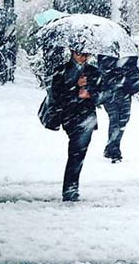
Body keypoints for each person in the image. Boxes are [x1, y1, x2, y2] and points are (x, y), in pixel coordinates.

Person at [51, 46, 102, 202]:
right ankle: (70, 188)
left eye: (87, 54)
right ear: (72, 53)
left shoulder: (93, 72)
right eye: (80, 53)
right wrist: (76, 87)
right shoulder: (61, 71)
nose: (83, 57)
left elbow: (102, 95)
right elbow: (56, 95)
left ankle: (71, 188)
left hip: (87, 118)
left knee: (78, 154)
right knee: (75, 153)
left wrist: (90, 92)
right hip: (70, 116)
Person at [98, 54, 139, 163]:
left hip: (125, 92)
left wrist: (128, 77)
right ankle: (114, 151)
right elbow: (102, 71)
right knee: (115, 120)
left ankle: (111, 147)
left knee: (123, 120)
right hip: (110, 92)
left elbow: (135, 72)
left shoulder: (130, 55)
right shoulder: (106, 53)